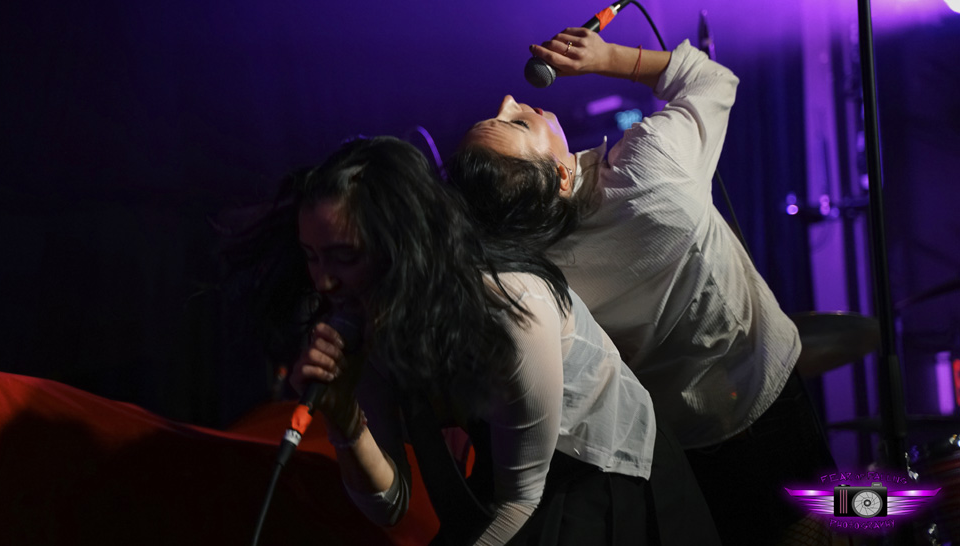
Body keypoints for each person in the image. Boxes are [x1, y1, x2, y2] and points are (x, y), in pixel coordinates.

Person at [448, 28, 837, 545]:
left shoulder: (524, 275)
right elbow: (712, 79)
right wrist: (609, 58)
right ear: (561, 177)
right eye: (515, 120)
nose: (510, 99)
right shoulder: (648, 168)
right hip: (769, 401)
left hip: (677, 444)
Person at [249, 136, 719, 544]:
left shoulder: (510, 310)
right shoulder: (366, 321)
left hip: (602, 479)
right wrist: (345, 421)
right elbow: (390, 506)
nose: (323, 283)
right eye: (312, 257)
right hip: (511, 484)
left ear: (402, 246)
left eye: (344, 257)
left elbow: (520, 500)